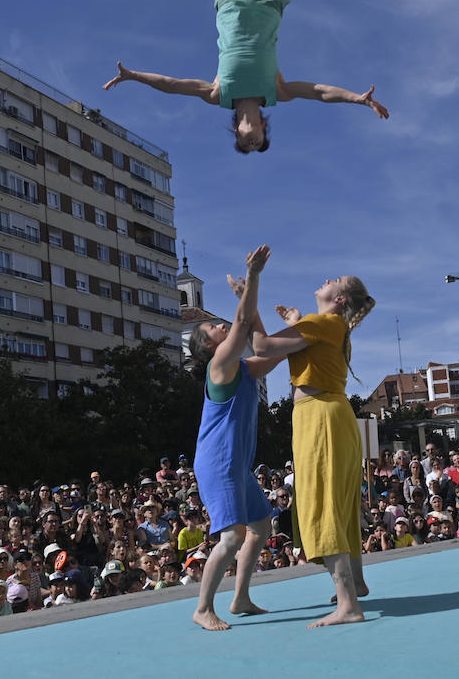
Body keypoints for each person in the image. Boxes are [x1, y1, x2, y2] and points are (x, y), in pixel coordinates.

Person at [102, 0, 388, 154]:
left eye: (245, 144)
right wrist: (358, 99)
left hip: (229, 9)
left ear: (237, 131)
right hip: (266, 8)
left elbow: (173, 85)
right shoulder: (278, 92)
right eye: (258, 143)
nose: (252, 144)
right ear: (263, 126)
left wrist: (133, 75)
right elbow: (319, 92)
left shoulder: (218, 94)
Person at [250, 272, 376, 627]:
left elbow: (261, 346)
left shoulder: (323, 323)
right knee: (339, 502)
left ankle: (348, 605)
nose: (326, 279)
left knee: (323, 504)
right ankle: (357, 584)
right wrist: (295, 322)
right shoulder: (331, 326)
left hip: (319, 417)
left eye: (335, 280)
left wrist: (250, 297)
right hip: (332, 415)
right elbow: (310, 346)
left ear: (339, 299)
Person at [184, 245, 285, 631]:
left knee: (261, 528)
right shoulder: (220, 366)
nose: (221, 325)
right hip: (219, 463)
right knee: (231, 538)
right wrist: (254, 278)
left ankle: (240, 597)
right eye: (213, 327)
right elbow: (243, 328)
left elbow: (269, 351)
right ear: (209, 346)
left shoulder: (242, 367)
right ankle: (203, 608)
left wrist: (249, 301)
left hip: (237, 465)